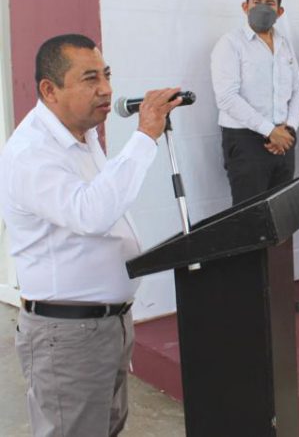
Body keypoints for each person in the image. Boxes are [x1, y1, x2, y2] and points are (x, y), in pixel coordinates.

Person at [0, 34, 182, 436]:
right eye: (90, 79)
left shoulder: (82, 136)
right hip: (67, 336)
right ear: (50, 90)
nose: (106, 89)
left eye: (107, 74)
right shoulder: (32, 153)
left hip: (107, 325)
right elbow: (91, 214)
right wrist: (144, 137)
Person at [211, 0, 299, 204]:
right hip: (246, 141)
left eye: (270, 4)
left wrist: (290, 128)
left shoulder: (284, 44)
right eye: (256, 2)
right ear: (245, 7)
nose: (262, 8)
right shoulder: (230, 44)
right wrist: (269, 130)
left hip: (284, 139)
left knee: (283, 213)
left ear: (280, 11)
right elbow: (227, 97)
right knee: (250, 216)